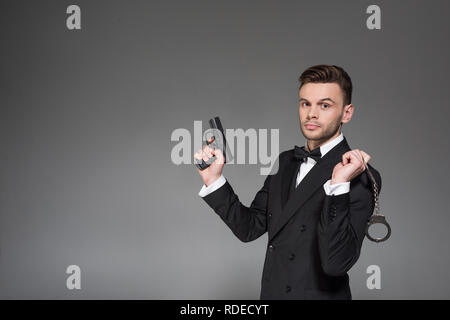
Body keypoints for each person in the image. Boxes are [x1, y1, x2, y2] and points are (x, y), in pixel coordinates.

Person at [193, 64, 382, 300]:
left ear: (347, 113)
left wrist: (339, 184)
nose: (311, 114)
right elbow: (249, 228)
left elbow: (336, 263)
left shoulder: (361, 176)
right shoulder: (285, 162)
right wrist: (214, 179)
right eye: (305, 103)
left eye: (325, 105)